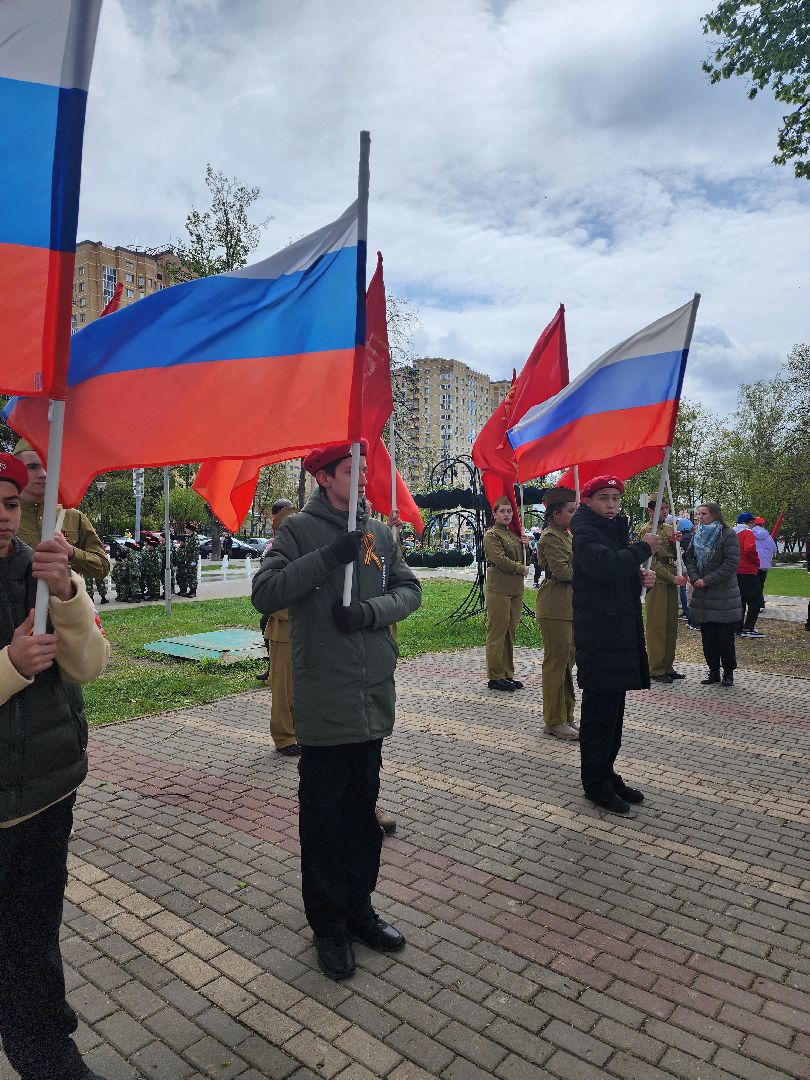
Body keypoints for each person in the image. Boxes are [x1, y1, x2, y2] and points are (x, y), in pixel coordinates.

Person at [251, 440, 421, 981]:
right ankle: (328, 925)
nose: (364, 479)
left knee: (362, 814)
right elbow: (266, 591)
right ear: (325, 477)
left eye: (365, 470)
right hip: (325, 698)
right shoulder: (298, 529)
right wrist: (329, 557)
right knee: (324, 819)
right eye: (352, 470)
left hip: (370, 694)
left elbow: (409, 590)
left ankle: (360, 909)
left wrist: (369, 613)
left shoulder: (380, 531)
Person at [0, 452, 111, 1080]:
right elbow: (20, 669)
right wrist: (11, 666)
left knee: (35, 938)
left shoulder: (42, 569)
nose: (2, 515)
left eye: (10, 503)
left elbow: (89, 666)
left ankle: (47, 1050)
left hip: (46, 795)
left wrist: (66, 592)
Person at [571, 475, 659, 814]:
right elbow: (603, 566)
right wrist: (642, 549)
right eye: (604, 498)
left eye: (615, 499)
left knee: (614, 713)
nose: (611, 505)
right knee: (599, 714)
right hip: (599, 633)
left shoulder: (614, 529)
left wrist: (640, 577)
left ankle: (607, 773)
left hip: (618, 630)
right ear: (589, 501)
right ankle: (595, 784)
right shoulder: (585, 531)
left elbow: (618, 569)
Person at [13, 439, 110, 584]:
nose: (43, 474)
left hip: (66, 604)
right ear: (16, 469)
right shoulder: (5, 517)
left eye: (48, 466)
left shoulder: (72, 517)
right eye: (32, 467)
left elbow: (102, 567)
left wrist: (71, 552)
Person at [535, 488, 579, 740]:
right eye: (570, 511)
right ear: (554, 514)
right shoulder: (550, 537)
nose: (574, 515)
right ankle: (553, 720)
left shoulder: (568, 535)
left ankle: (566, 715)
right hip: (555, 606)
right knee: (556, 663)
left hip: (569, 605)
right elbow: (563, 572)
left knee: (566, 664)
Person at [684, 503, 741, 686]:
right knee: (708, 640)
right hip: (703, 596)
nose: (700, 517)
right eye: (699, 514)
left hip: (723, 595)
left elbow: (731, 563)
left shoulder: (727, 534)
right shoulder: (698, 533)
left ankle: (728, 672)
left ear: (715, 515)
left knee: (725, 639)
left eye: (704, 514)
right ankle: (713, 671)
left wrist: (708, 580)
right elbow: (690, 557)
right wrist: (695, 578)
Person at [263, 503, 301, 756]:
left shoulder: (302, 552)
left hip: (305, 629)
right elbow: (268, 597)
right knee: (284, 690)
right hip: (283, 628)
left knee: (300, 689)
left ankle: (299, 732)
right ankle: (284, 737)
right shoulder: (275, 556)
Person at [639, 499, 688, 684]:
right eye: (661, 508)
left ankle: (668, 666)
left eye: (666, 508)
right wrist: (671, 577)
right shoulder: (647, 530)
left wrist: (676, 542)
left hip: (671, 578)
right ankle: (655, 668)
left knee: (670, 625)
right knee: (657, 626)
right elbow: (651, 560)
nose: (665, 512)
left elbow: (674, 554)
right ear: (651, 511)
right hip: (658, 579)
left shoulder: (668, 528)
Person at [484, 495, 529, 691]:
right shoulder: (492, 535)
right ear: (495, 514)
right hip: (499, 589)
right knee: (497, 632)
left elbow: (527, 560)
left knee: (510, 632)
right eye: (502, 511)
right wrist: (520, 569)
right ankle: (495, 676)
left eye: (509, 511)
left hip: (515, 589)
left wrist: (527, 547)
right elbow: (499, 559)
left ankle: (507, 673)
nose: (506, 514)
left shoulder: (515, 535)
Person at [734, 512, 764, 638]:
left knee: (740, 600)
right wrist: (757, 561)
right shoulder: (748, 533)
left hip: (735, 570)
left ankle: (737, 627)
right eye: (753, 522)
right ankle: (748, 627)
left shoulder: (733, 533)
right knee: (756, 600)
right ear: (748, 523)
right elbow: (749, 549)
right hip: (748, 570)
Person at [751, 516, 777, 598]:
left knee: (754, 585)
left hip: (754, 563)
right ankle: (760, 603)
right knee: (761, 584)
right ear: (762, 524)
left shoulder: (750, 534)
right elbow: (774, 549)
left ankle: (757, 603)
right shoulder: (768, 536)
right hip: (765, 565)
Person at [677, 518, 693, 620]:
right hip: (695, 567)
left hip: (685, 567)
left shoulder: (681, 539)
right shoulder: (694, 536)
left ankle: (686, 611)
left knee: (684, 588)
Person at [176, 527, 199, 598]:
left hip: (192, 559)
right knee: (188, 575)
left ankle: (193, 591)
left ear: (190, 529)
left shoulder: (195, 537)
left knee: (193, 576)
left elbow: (196, 550)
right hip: (188, 559)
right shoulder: (188, 537)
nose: (186, 530)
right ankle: (190, 591)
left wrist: (194, 561)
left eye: (187, 529)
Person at [139, 536, 163, 601]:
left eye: (149, 546)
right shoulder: (148, 553)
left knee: (154, 584)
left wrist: (156, 572)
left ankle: (155, 595)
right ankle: (152, 594)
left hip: (154, 572)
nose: (147, 547)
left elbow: (159, 565)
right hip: (148, 572)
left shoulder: (157, 554)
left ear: (152, 546)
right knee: (150, 584)